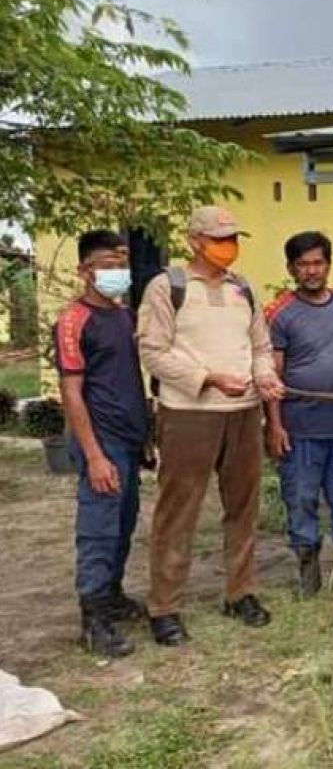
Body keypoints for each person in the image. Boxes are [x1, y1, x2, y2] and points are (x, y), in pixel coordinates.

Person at [137, 205, 285, 646]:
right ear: (193, 241)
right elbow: (153, 350)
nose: (229, 246)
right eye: (219, 238)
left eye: (233, 237)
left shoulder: (244, 289)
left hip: (244, 413)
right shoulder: (168, 288)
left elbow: (260, 346)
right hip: (188, 414)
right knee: (177, 511)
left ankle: (240, 593)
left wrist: (267, 377)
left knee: (243, 507)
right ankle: (165, 607)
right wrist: (207, 379)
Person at [265, 231, 333, 597]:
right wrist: (275, 424)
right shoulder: (281, 315)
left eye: (318, 263)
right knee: (302, 497)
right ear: (291, 269)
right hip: (301, 429)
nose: (312, 271)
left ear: (328, 264)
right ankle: (308, 567)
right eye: (303, 265)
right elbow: (272, 375)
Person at [54, 229, 150, 658]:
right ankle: (93, 621)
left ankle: (112, 596)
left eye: (121, 267)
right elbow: (72, 392)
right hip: (101, 439)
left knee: (124, 523)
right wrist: (94, 455)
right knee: (98, 529)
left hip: (130, 438)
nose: (116, 275)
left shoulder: (124, 316)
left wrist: (146, 437)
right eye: (107, 268)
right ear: (85, 271)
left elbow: (132, 380)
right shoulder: (74, 321)